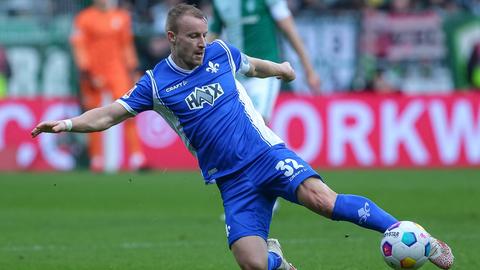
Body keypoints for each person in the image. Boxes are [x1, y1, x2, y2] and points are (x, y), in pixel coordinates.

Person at [32, 4, 454, 270]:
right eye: (193, 36)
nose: (202, 43)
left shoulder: (220, 53)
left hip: (265, 154)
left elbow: (255, 65)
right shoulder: (155, 85)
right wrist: (67, 124)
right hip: (231, 181)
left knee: (324, 201)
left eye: (204, 34)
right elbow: (108, 114)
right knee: (252, 262)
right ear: (172, 38)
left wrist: (286, 70)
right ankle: (279, 262)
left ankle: (414, 237)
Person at [207, 0, 320, 123]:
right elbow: (211, 36)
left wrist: (309, 70)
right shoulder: (220, 2)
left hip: (265, 74)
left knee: (257, 123)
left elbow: (289, 30)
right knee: (234, 127)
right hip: (235, 75)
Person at [70, 0, 146, 172]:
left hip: (117, 71)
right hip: (93, 72)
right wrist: (86, 70)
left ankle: (137, 157)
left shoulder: (122, 17)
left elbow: (127, 45)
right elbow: (79, 45)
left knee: (128, 110)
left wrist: (133, 68)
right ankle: (96, 158)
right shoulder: (84, 18)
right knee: (92, 113)